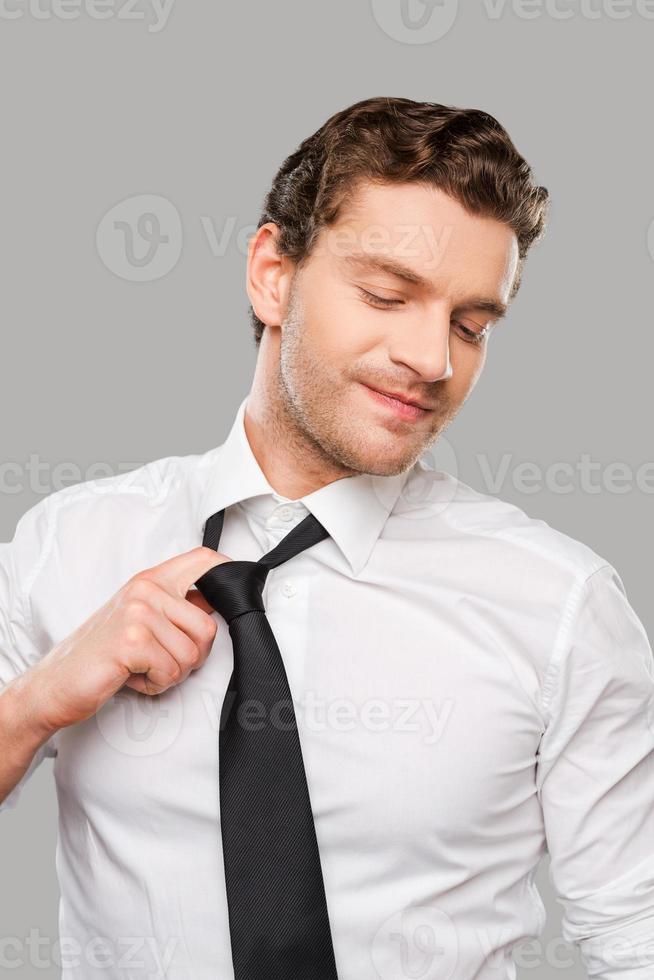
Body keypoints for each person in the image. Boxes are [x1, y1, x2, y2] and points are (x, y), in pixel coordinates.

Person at [1, 96, 653, 979]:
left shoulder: (561, 606)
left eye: (471, 325)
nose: (433, 360)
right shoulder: (69, 545)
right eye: (388, 295)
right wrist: (38, 701)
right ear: (272, 273)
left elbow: (635, 938)